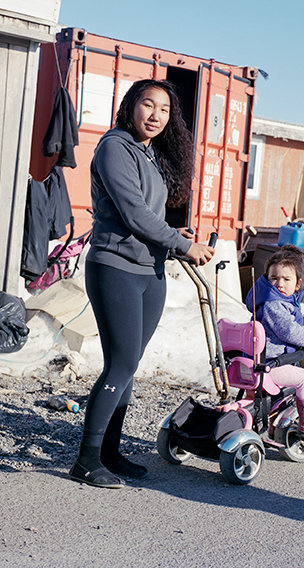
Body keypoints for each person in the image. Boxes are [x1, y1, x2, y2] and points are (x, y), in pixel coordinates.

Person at [69, 79, 214, 489]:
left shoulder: (148, 154)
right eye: (147, 105)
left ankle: (111, 454)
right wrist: (183, 244)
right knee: (119, 364)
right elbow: (132, 214)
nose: (155, 115)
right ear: (131, 106)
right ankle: (86, 459)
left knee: (129, 366)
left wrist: (172, 231)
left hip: (150, 271)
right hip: (115, 268)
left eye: (164, 109)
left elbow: (149, 214)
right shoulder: (114, 146)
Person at [245, 245, 304, 436]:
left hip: (259, 362)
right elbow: (290, 332)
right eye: (274, 278)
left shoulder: (272, 301)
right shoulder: (274, 304)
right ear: (267, 279)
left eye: (286, 279)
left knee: (278, 390)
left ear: (297, 284)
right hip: (268, 365)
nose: (280, 283)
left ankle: (268, 421)